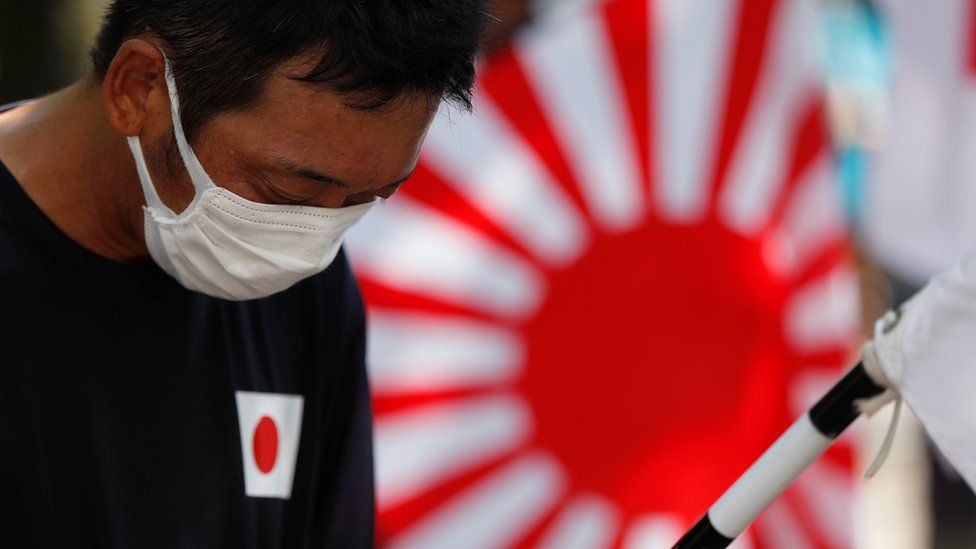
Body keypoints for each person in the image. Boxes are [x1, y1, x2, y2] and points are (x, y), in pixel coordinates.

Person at [0, 1, 491, 547]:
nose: (311, 242)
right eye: (286, 193)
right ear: (138, 90)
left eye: (366, 198)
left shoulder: (308, 292)